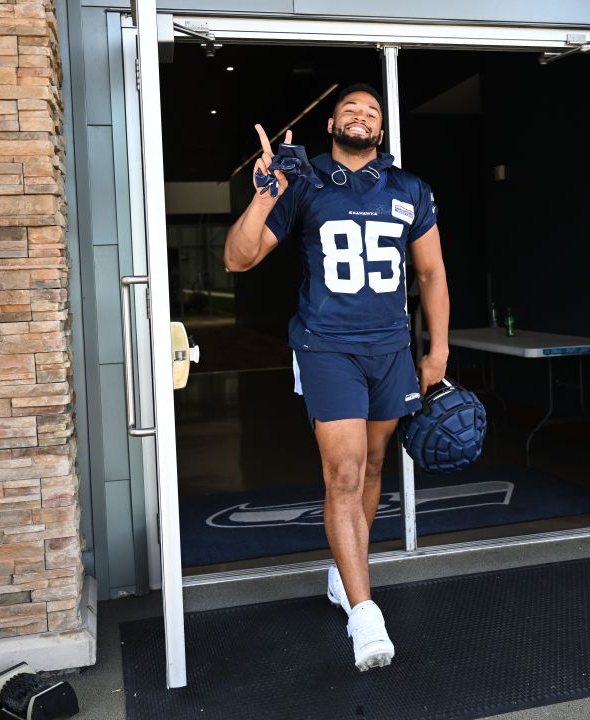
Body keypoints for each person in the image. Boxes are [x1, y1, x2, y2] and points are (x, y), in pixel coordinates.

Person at [223, 84, 450, 671]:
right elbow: (237, 258)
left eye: (371, 111)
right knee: (344, 472)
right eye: (350, 107)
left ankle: (342, 575)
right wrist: (265, 194)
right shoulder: (304, 181)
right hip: (327, 348)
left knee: (374, 466)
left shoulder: (410, 188)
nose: (361, 114)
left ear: (381, 130)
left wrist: (438, 349)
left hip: (391, 350)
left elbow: (431, 275)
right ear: (330, 122)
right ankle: (366, 613)